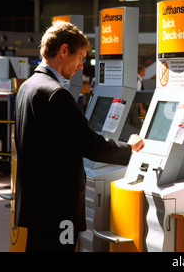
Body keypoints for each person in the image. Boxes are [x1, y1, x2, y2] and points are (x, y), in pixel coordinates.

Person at [14, 21, 144, 252]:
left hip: (36, 204)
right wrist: (129, 149)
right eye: (81, 57)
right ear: (64, 51)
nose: (81, 66)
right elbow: (87, 143)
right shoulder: (56, 94)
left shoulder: (28, 87)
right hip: (57, 207)